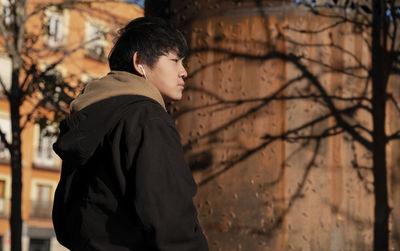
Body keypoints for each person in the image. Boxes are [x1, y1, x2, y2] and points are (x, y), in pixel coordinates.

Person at [52, 17, 209, 251]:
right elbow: (171, 218)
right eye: (175, 60)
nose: (184, 72)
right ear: (140, 63)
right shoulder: (146, 117)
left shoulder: (89, 118)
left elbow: (66, 220)